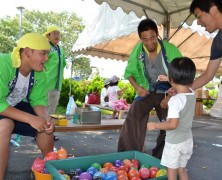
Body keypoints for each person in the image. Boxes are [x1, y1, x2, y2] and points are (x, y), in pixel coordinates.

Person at [117, 19, 182, 159]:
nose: (149, 43)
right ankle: (129, 156)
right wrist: (137, 87)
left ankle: (162, 158)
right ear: (140, 39)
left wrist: (170, 97)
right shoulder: (138, 50)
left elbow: (181, 77)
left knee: (171, 122)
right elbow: (129, 72)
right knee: (133, 116)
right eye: (145, 39)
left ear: (157, 34)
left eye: (152, 37)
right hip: (146, 90)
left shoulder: (171, 50)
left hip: (168, 91)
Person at [0, 32, 54, 179]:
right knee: (4, 125)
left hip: (14, 105)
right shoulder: (3, 63)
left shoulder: (39, 72)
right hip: (1, 105)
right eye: (43, 53)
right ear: (28, 52)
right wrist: (30, 119)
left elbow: (38, 100)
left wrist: (46, 119)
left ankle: (52, 170)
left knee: (44, 128)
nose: (46, 59)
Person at [147, 57, 196, 180]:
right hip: (187, 140)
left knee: (172, 173)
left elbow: (172, 124)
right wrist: (169, 79)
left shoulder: (175, 100)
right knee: (182, 170)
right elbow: (180, 85)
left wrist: (155, 125)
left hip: (174, 143)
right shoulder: (191, 93)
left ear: (172, 79)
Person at [189, 0, 222, 90]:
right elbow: (208, 75)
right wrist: (182, 89)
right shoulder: (218, 42)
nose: (198, 23)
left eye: (199, 16)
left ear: (213, 11)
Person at [43, 25, 66, 141]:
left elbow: (64, 64)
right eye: (54, 33)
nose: (57, 36)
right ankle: (40, 132)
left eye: (58, 33)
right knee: (44, 109)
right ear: (48, 35)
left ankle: (49, 132)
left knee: (52, 110)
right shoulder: (46, 47)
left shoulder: (61, 49)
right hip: (46, 83)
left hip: (57, 85)